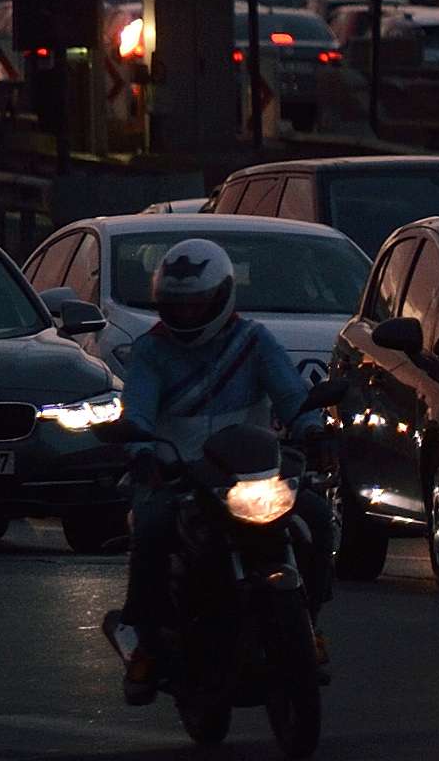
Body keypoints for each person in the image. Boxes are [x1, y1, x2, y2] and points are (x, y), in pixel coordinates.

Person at [104, 238, 319, 705]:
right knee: (153, 532)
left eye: (197, 304)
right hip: (176, 476)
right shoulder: (151, 351)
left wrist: (314, 427)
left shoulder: (254, 341)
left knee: (316, 519)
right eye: (176, 307)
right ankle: (140, 641)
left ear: (222, 297)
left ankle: (310, 623)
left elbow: (292, 396)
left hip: (252, 473)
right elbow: (137, 409)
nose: (186, 316)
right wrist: (140, 448)